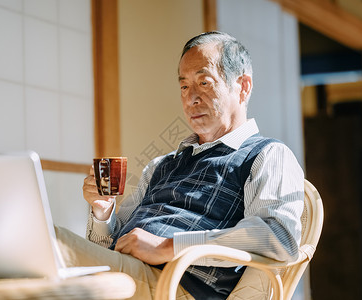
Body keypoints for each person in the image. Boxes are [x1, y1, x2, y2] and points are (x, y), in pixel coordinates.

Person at [55, 31, 304, 300]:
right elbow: (104, 248)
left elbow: (279, 236)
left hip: (175, 286)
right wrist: (103, 213)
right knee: (31, 252)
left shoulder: (267, 155)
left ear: (242, 86)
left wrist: (170, 247)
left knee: (49, 244)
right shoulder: (160, 165)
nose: (191, 98)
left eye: (205, 83)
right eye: (184, 86)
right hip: (125, 273)